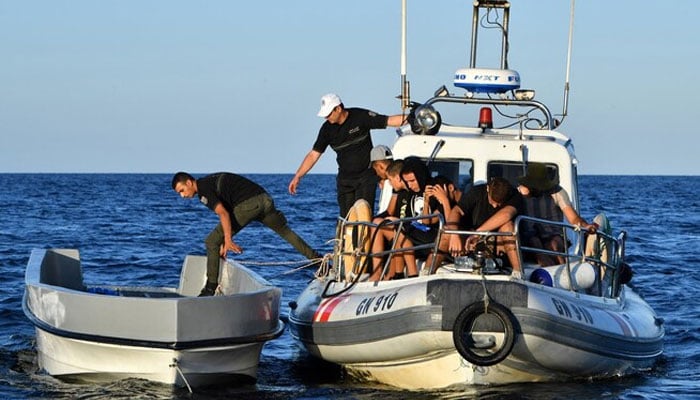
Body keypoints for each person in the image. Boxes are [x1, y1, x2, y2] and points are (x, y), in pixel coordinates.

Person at [172, 172, 320, 296]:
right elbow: (229, 208)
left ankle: (210, 288)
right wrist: (224, 241)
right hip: (264, 200)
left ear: (190, 183)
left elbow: (223, 214)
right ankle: (317, 259)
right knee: (285, 232)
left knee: (211, 241)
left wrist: (228, 241)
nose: (182, 196)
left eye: (182, 190)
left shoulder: (203, 190)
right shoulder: (209, 182)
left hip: (249, 204)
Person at [288, 93, 406, 217]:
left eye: (328, 114)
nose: (326, 118)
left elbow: (389, 120)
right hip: (345, 180)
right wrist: (298, 176)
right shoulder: (326, 130)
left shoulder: (360, 116)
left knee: (364, 216)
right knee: (346, 220)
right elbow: (313, 155)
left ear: (338, 109)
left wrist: (413, 118)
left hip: (365, 177)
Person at [438, 177, 524, 276]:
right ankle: (427, 272)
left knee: (508, 227)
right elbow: (456, 211)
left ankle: (518, 273)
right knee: (446, 232)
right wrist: (454, 234)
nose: (495, 206)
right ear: (487, 189)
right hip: (472, 240)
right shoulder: (476, 192)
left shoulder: (515, 196)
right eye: (493, 201)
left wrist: (477, 234)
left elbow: (506, 214)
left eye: (499, 202)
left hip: (499, 245)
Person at [517, 162, 597, 266]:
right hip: (529, 237)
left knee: (554, 244)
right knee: (534, 241)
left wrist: (586, 226)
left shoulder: (557, 192)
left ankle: (562, 269)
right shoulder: (518, 194)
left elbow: (573, 218)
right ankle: (550, 270)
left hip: (553, 235)